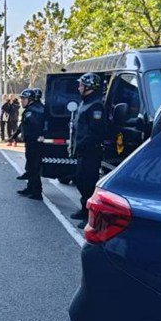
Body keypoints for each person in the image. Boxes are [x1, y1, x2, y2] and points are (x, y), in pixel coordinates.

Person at [69, 73, 106, 228]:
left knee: (89, 183)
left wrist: (83, 144)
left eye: (81, 85)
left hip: (91, 151)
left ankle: (91, 217)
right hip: (83, 151)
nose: (79, 87)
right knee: (81, 181)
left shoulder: (96, 106)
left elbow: (95, 132)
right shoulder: (85, 103)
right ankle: (84, 209)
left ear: (89, 87)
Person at [10, 88, 45, 200]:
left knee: (34, 168)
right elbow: (23, 125)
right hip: (31, 142)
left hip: (34, 143)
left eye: (24, 99)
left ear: (31, 100)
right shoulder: (33, 109)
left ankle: (36, 192)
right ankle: (30, 188)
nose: (22, 101)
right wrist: (15, 136)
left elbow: (36, 127)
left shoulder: (34, 111)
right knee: (31, 167)